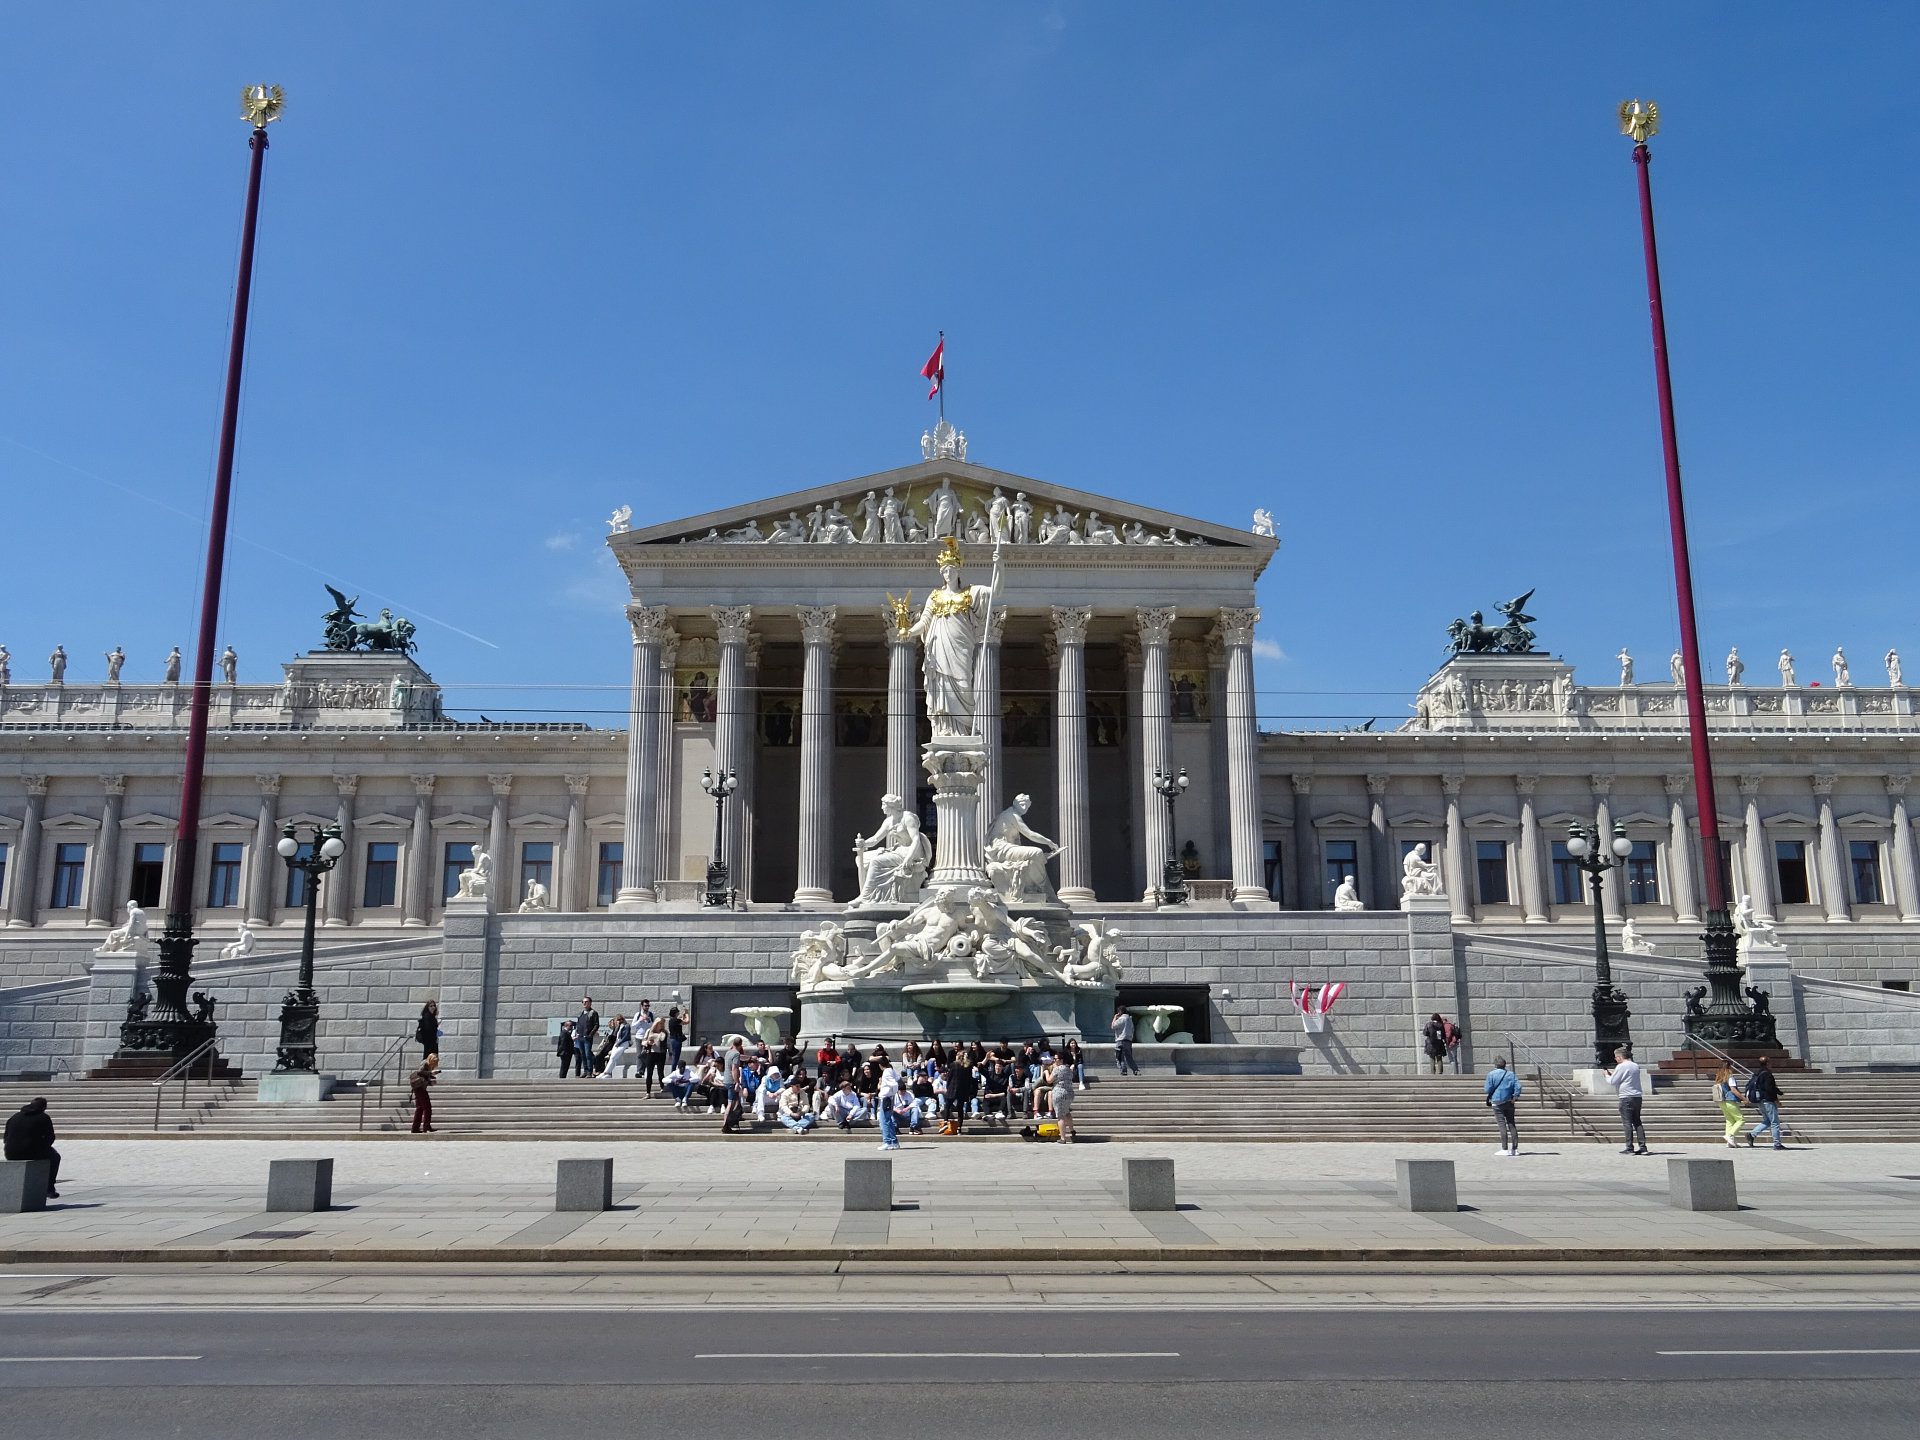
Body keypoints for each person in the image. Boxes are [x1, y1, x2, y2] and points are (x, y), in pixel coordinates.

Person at [3, 1096, 60, 1197]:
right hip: (32, 1152)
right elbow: (50, 1137)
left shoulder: (14, 1116)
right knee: (55, 1157)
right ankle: (49, 1188)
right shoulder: (43, 1117)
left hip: (10, 1153)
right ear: (43, 1107)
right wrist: (43, 1147)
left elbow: (5, 1138)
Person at [1606, 1045, 1649, 1155]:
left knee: (1627, 1123)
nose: (1615, 1060)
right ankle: (1643, 1147)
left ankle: (1629, 1147)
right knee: (1637, 1122)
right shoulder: (1635, 1065)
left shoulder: (1621, 1066)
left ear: (1619, 1057)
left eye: (1616, 1057)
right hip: (1637, 1096)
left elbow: (1612, 1081)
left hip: (1626, 1097)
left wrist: (1606, 1075)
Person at [1483, 1056, 1522, 1157]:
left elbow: (1487, 1089)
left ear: (1495, 1065)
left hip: (1497, 1102)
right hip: (1509, 1101)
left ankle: (1504, 1149)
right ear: (1505, 1065)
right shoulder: (1511, 1074)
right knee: (1511, 1124)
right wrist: (1515, 1096)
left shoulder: (1491, 1074)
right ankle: (1515, 1149)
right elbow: (1518, 1086)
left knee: (1502, 1125)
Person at [1746, 1056, 1786, 1149]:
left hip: (1760, 1100)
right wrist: (1776, 1099)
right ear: (1767, 1063)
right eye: (1770, 1062)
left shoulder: (1758, 1073)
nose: (1771, 1064)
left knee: (1767, 1121)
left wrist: (1778, 1092)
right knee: (1774, 1122)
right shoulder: (1767, 1074)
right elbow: (1769, 1088)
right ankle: (1777, 1144)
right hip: (1768, 1100)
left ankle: (1752, 1135)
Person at [1044, 1053, 1077, 1144]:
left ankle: (1063, 1138)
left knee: (1060, 1116)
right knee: (1066, 1112)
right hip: (1069, 1093)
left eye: (1056, 1059)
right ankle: (1072, 1130)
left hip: (1059, 1093)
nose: (1054, 1060)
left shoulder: (1057, 1069)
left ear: (1061, 1060)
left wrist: (1046, 1072)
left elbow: (1049, 1080)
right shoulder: (1069, 1069)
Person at [1711, 1067, 1746, 1148]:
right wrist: (1744, 1098)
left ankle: (1730, 1141)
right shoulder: (1730, 1077)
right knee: (1741, 1119)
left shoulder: (1719, 1080)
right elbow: (1733, 1090)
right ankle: (1730, 1135)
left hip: (1721, 1101)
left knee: (1729, 1120)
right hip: (1730, 1100)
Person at [876, 1058, 905, 1151]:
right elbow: (898, 1079)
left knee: (884, 1120)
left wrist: (892, 1091)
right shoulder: (891, 1070)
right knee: (889, 1120)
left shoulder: (886, 1072)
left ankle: (887, 1141)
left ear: (880, 1065)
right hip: (889, 1097)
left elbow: (894, 1083)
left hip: (886, 1098)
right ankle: (894, 1141)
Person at [638, 1012, 668, 1096]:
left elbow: (665, 1041)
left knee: (660, 1072)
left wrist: (670, 1052)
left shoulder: (664, 1033)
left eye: (662, 1024)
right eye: (660, 1024)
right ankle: (648, 1092)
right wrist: (648, 1042)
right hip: (651, 1053)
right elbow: (643, 1042)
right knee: (649, 1073)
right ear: (656, 1024)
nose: (661, 1025)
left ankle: (662, 1087)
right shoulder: (649, 1031)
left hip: (661, 1054)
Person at [573, 998, 600, 1080]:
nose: (584, 1003)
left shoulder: (593, 1013)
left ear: (590, 1003)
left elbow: (596, 1025)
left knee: (588, 1054)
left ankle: (589, 1072)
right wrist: (577, 1032)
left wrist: (590, 1034)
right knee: (582, 1055)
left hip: (587, 1037)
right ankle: (585, 1071)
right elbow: (578, 1024)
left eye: (586, 1002)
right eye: (583, 1002)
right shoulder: (580, 1013)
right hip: (580, 1037)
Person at [409, 1061, 436, 1133]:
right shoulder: (425, 1063)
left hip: (418, 1089)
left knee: (420, 1108)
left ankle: (415, 1128)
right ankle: (426, 1126)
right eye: (435, 1061)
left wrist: (430, 1082)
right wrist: (431, 1073)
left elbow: (423, 1078)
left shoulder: (427, 1066)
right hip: (420, 1089)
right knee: (427, 1108)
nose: (436, 1063)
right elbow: (420, 1072)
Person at [1112, 1007, 1139, 1076]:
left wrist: (1115, 1017)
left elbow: (1113, 1026)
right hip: (1128, 1041)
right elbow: (1132, 1030)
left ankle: (1123, 1070)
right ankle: (1136, 1070)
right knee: (1129, 1057)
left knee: (1120, 1057)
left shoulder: (1121, 1019)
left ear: (1120, 1011)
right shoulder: (1130, 1020)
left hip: (1121, 1040)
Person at [665, 1007, 685, 1072]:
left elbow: (682, 1020)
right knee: (676, 1057)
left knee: (675, 1056)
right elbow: (687, 1021)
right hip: (676, 1040)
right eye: (677, 1012)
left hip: (673, 1039)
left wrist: (684, 1015)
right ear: (675, 1013)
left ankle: (673, 1070)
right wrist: (687, 1013)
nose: (678, 1013)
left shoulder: (671, 1020)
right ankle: (673, 1071)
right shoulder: (676, 1020)